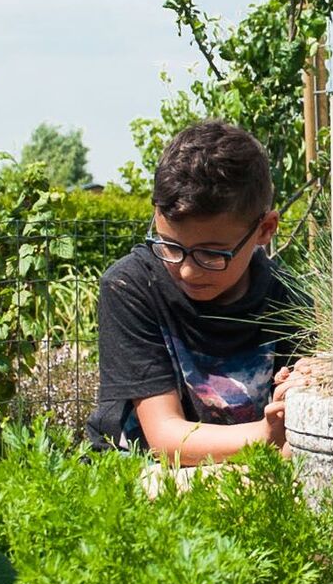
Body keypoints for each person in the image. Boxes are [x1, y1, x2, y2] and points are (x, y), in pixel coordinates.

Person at [89, 119, 304, 463]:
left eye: (211, 254)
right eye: (170, 246)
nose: (187, 270)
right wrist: (267, 435)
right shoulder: (130, 287)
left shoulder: (291, 299)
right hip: (139, 472)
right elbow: (165, 436)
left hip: (248, 468)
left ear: (265, 229)